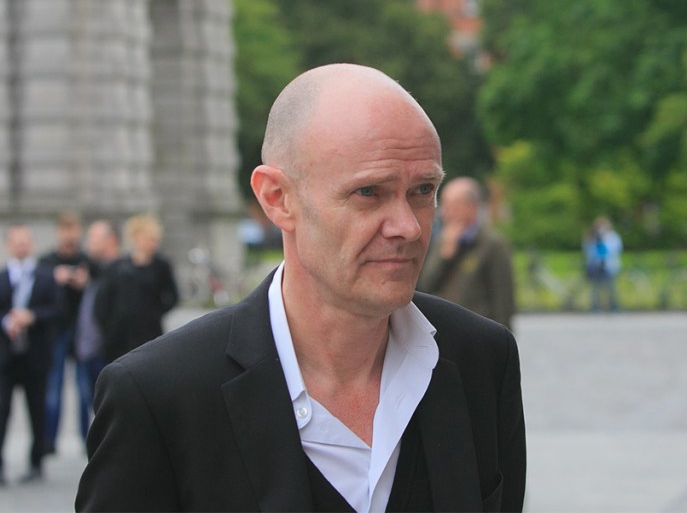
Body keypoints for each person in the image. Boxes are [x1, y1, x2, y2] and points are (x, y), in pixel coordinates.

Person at [76, 64, 526, 512]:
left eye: (423, 189)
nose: (408, 226)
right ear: (277, 198)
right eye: (369, 192)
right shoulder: (160, 395)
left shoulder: (482, 361)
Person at [0, 224, 61, 485]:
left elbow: (58, 310)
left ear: (31, 244)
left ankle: (36, 461)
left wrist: (32, 317)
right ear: (9, 245)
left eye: (25, 241)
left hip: (35, 356)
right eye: (17, 242)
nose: (21, 246)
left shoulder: (46, 277)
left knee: (37, 409)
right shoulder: (3, 276)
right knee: (2, 411)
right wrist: (7, 322)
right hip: (6, 358)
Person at [418, 177, 516, 330]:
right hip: (446, 333)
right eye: (445, 205)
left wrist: (503, 339)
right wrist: (443, 257)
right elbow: (426, 286)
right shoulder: (441, 241)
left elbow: (503, 299)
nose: (446, 212)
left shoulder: (493, 244)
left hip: (481, 334)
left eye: (454, 206)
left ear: (473, 207)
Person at [94, 214, 179, 363]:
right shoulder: (117, 267)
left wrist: (154, 313)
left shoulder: (161, 266)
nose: (153, 243)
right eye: (149, 238)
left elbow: (173, 296)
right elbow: (102, 303)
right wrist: (109, 328)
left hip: (149, 334)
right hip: (119, 338)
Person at [38, 211, 89, 456]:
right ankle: (49, 440)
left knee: (84, 388)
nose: (70, 235)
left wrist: (83, 281)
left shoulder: (85, 260)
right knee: (53, 386)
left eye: (73, 229)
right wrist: (54, 277)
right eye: (65, 229)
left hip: (80, 332)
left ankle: (86, 438)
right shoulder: (48, 261)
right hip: (56, 330)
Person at [73, 220, 121, 442]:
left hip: (107, 350)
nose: (88, 244)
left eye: (94, 239)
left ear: (110, 241)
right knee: (86, 402)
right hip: (86, 349)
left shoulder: (119, 271)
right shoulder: (91, 270)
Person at [583, 216, 623, 311]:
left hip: (609, 266)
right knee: (595, 288)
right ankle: (595, 306)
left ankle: (613, 306)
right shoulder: (592, 237)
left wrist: (602, 241)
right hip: (596, 266)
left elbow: (611, 250)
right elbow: (589, 252)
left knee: (610, 287)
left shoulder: (613, 237)